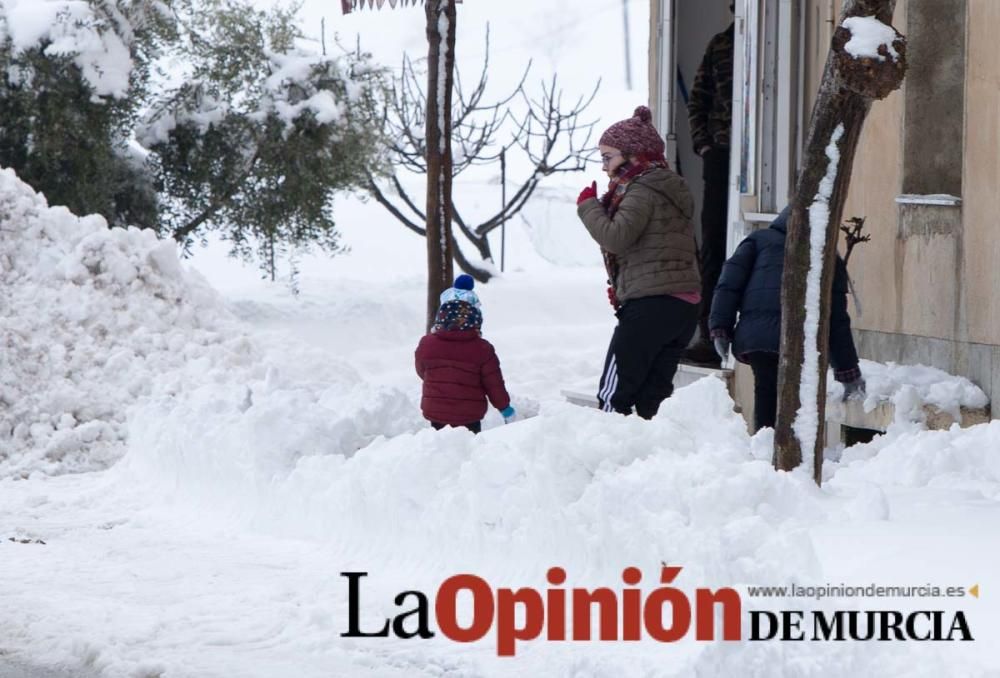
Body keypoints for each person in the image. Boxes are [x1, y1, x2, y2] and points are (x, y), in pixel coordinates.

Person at [577, 105, 701, 420]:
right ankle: (645, 461)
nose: (604, 167)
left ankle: (609, 458)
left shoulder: (641, 190)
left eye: (608, 157)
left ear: (633, 156)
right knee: (652, 398)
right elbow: (650, 247)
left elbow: (616, 237)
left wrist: (588, 207)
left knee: (614, 395)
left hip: (651, 305)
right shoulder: (668, 187)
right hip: (683, 306)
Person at [708, 207, 865, 432]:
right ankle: (784, 452)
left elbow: (728, 286)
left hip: (757, 337)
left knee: (766, 391)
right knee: (796, 402)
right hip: (800, 339)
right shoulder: (827, 255)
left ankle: (766, 446)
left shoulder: (757, 240)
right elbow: (837, 319)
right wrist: (847, 371)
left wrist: (720, 329)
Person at [684, 2, 735, 368]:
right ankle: (708, 334)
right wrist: (704, 144)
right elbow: (697, 101)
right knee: (714, 244)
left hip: (762, 159)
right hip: (721, 156)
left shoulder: (767, 43)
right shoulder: (721, 45)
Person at [415, 276, 514, 432]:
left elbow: (422, 371)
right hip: (469, 415)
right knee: (467, 450)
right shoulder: (482, 349)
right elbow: (494, 384)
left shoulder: (427, 344)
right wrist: (505, 408)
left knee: (436, 449)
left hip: (436, 412)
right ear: (475, 319)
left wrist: (440, 379)